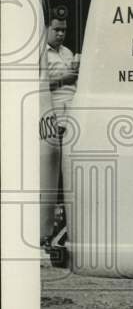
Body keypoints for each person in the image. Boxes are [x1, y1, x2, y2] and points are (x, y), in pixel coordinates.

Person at [41, 14, 78, 245]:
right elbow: (40, 85)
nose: (61, 34)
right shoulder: (41, 55)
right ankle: (53, 224)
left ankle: (67, 220)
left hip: (73, 115)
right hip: (54, 118)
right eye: (56, 30)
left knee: (70, 169)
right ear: (46, 29)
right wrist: (65, 79)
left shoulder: (67, 53)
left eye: (64, 30)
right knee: (56, 172)